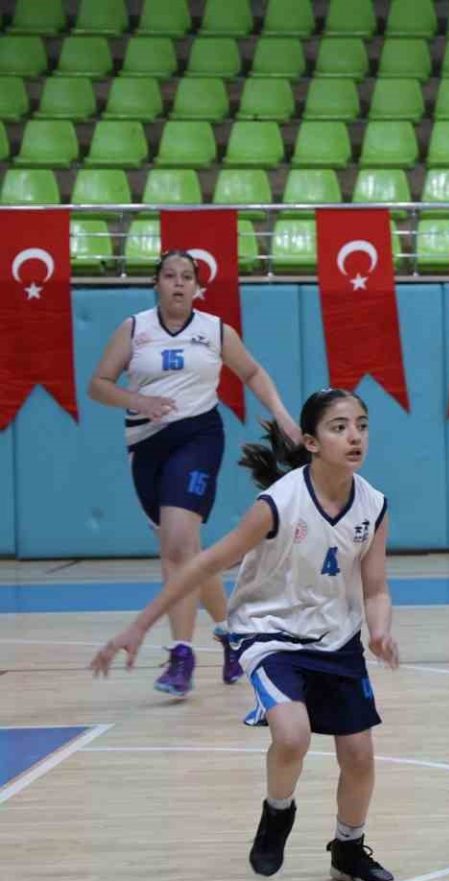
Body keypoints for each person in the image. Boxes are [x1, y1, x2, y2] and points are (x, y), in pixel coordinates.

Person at [91, 388, 399, 881]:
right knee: (292, 736)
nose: (354, 436)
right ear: (311, 442)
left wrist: (380, 628)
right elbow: (206, 563)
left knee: (360, 756)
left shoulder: (373, 505)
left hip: (336, 639)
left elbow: (377, 587)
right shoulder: (278, 503)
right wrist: (140, 625)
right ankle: (278, 812)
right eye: (339, 427)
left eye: (361, 425)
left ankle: (348, 849)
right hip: (270, 633)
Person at [86, 250, 301, 697]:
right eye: (170, 276)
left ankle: (181, 656)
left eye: (187, 277)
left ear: (199, 287)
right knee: (188, 553)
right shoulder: (134, 329)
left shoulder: (215, 330)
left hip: (198, 437)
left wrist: (281, 415)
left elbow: (252, 372)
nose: (179, 283)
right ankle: (232, 636)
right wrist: (137, 401)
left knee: (178, 544)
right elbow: (98, 385)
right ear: (157, 284)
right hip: (145, 445)